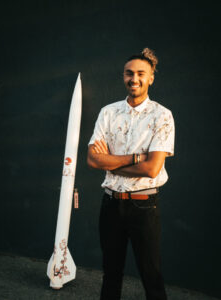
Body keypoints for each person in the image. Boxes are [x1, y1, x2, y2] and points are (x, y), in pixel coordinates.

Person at [87, 48, 175, 300]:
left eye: (140, 73)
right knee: (110, 273)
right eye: (129, 73)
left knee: (151, 276)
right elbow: (92, 160)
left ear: (151, 77)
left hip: (144, 206)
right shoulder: (108, 112)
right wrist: (136, 157)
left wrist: (109, 161)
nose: (133, 79)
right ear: (123, 76)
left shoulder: (162, 116)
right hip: (111, 203)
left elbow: (152, 169)